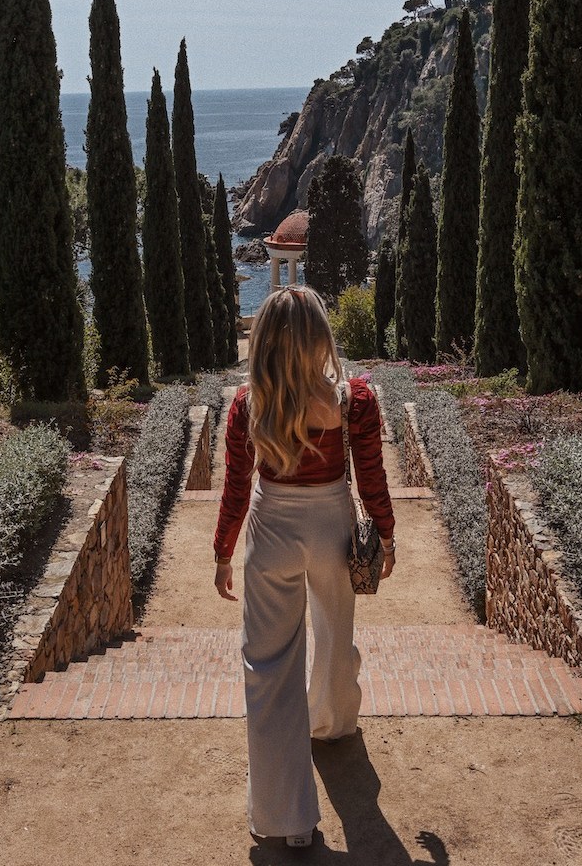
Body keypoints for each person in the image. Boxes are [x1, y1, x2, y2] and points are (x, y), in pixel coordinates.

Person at [213, 285, 395, 848]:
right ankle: (332, 722)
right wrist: (386, 535)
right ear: (321, 337)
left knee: (268, 669)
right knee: (336, 633)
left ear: (264, 339)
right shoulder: (353, 400)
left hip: (272, 530)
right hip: (331, 525)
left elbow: (235, 487)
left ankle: (288, 820)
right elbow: (371, 474)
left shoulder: (250, 404)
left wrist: (222, 551)